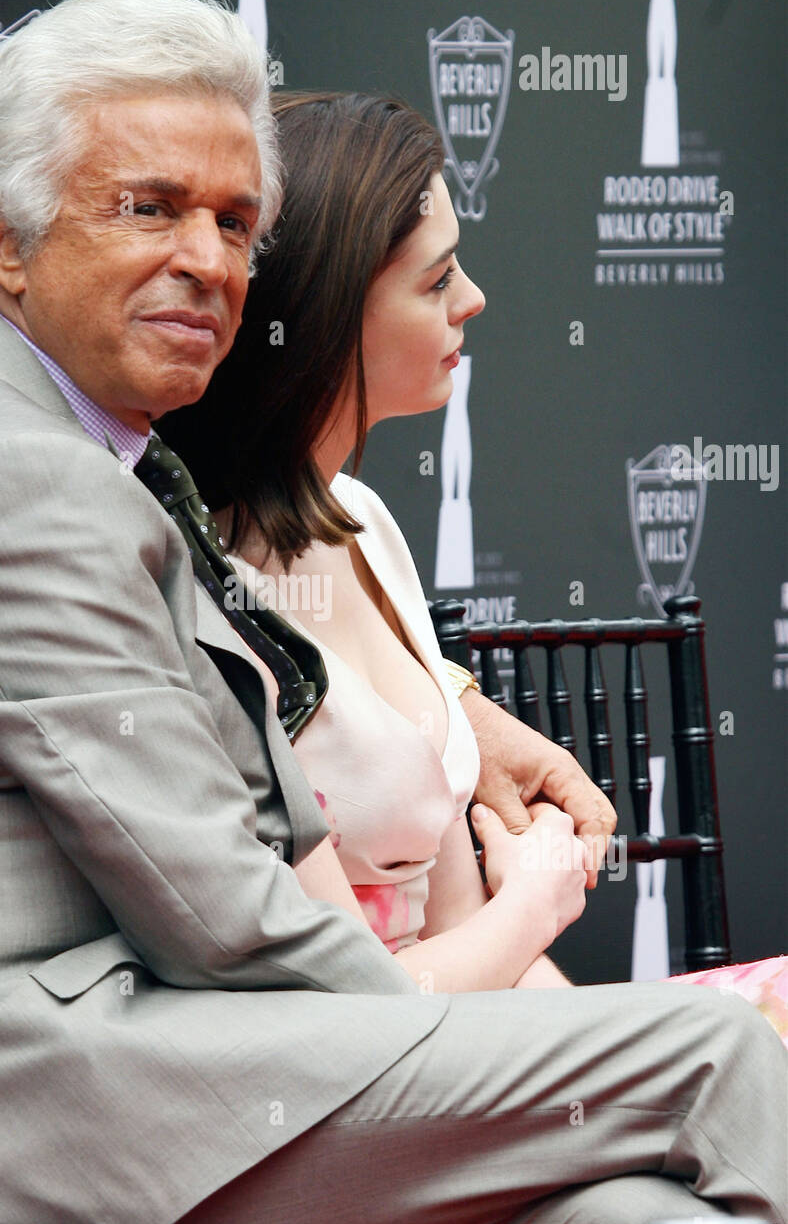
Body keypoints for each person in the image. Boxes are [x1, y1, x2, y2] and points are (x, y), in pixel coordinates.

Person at [0, 0, 786, 1224]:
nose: (208, 259)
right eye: (149, 207)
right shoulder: (14, 475)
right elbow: (226, 920)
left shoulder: (93, 450)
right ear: (9, 244)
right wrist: (463, 1025)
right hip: (52, 1112)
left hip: (186, 1060)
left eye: (234, 221)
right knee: (714, 1054)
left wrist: (485, 751)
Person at [158, 91, 788, 1031]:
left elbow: (467, 928)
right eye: (438, 278)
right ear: (329, 319)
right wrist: (536, 900)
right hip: (381, 1090)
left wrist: (621, 1055)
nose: (474, 299)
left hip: (481, 1050)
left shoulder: (364, 522)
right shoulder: (212, 605)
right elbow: (339, 1019)